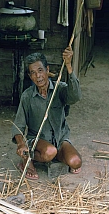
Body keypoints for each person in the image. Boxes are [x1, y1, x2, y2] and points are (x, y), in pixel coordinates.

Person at [12, 46, 82, 179]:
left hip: (60, 139)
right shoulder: (27, 96)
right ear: (29, 76)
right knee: (50, 151)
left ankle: (57, 157)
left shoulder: (59, 88)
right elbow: (18, 125)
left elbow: (75, 96)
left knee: (76, 162)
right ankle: (27, 160)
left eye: (40, 70)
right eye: (33, 73)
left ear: (47, 70)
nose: (38, 76)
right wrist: (21, 144)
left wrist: (68, 65)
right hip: (37, 140)